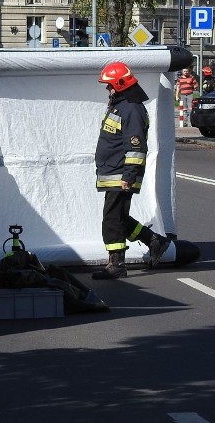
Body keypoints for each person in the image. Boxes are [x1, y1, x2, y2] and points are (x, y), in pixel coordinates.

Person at [93, 62, 170, 280]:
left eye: (109, 85)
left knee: (112, 219)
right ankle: (154, 241)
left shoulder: (131, 109)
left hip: (121, 174)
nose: (107, 90)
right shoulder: (121, 106)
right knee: (118, 217)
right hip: (113, 171)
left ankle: (116, 264)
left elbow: (136, 147)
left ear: (119, 84)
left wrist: (128, 176)